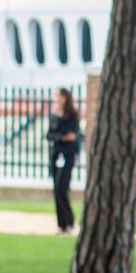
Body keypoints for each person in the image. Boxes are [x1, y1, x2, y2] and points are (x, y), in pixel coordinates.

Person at [46, 88, 81, 233]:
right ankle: (62, 224)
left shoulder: (71, 116)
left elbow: (72, 135)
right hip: (56, 155)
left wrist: (60, 136)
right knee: (56, 189)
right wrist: (61, 137)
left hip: (67, 155)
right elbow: (49, 134)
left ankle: (69, 220)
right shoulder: (54, 115)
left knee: (62, 188)